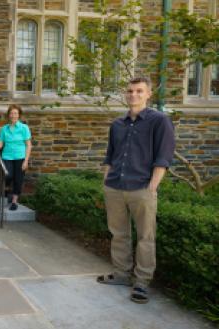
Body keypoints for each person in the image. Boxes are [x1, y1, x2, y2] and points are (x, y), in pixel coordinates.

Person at [97, 77, 175, 304]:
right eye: (130, 91)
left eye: (139, 91)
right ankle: (121, 274)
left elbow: (163, 157)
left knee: (145, 237)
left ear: (149, 94)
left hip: (142, 188)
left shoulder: (159, 121)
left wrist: (152, 186)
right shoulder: (117, 124)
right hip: (115, 187)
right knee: (119, 233)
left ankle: (142, 282)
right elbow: (110, 156)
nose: (134, 95)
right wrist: (106, 181)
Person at [0, 104, 32, 211]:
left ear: (19, 115)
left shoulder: (24, 128)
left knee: (18, 179)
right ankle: (6, 189)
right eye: (11, 113)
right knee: (7, 175)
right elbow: (1, 142)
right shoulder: (5, 129)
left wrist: (26, 161)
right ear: (9, 115)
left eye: (15, 113)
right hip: (7, 156)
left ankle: (14, 201)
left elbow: (28, 145)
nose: (13, 115)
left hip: (20, 157)